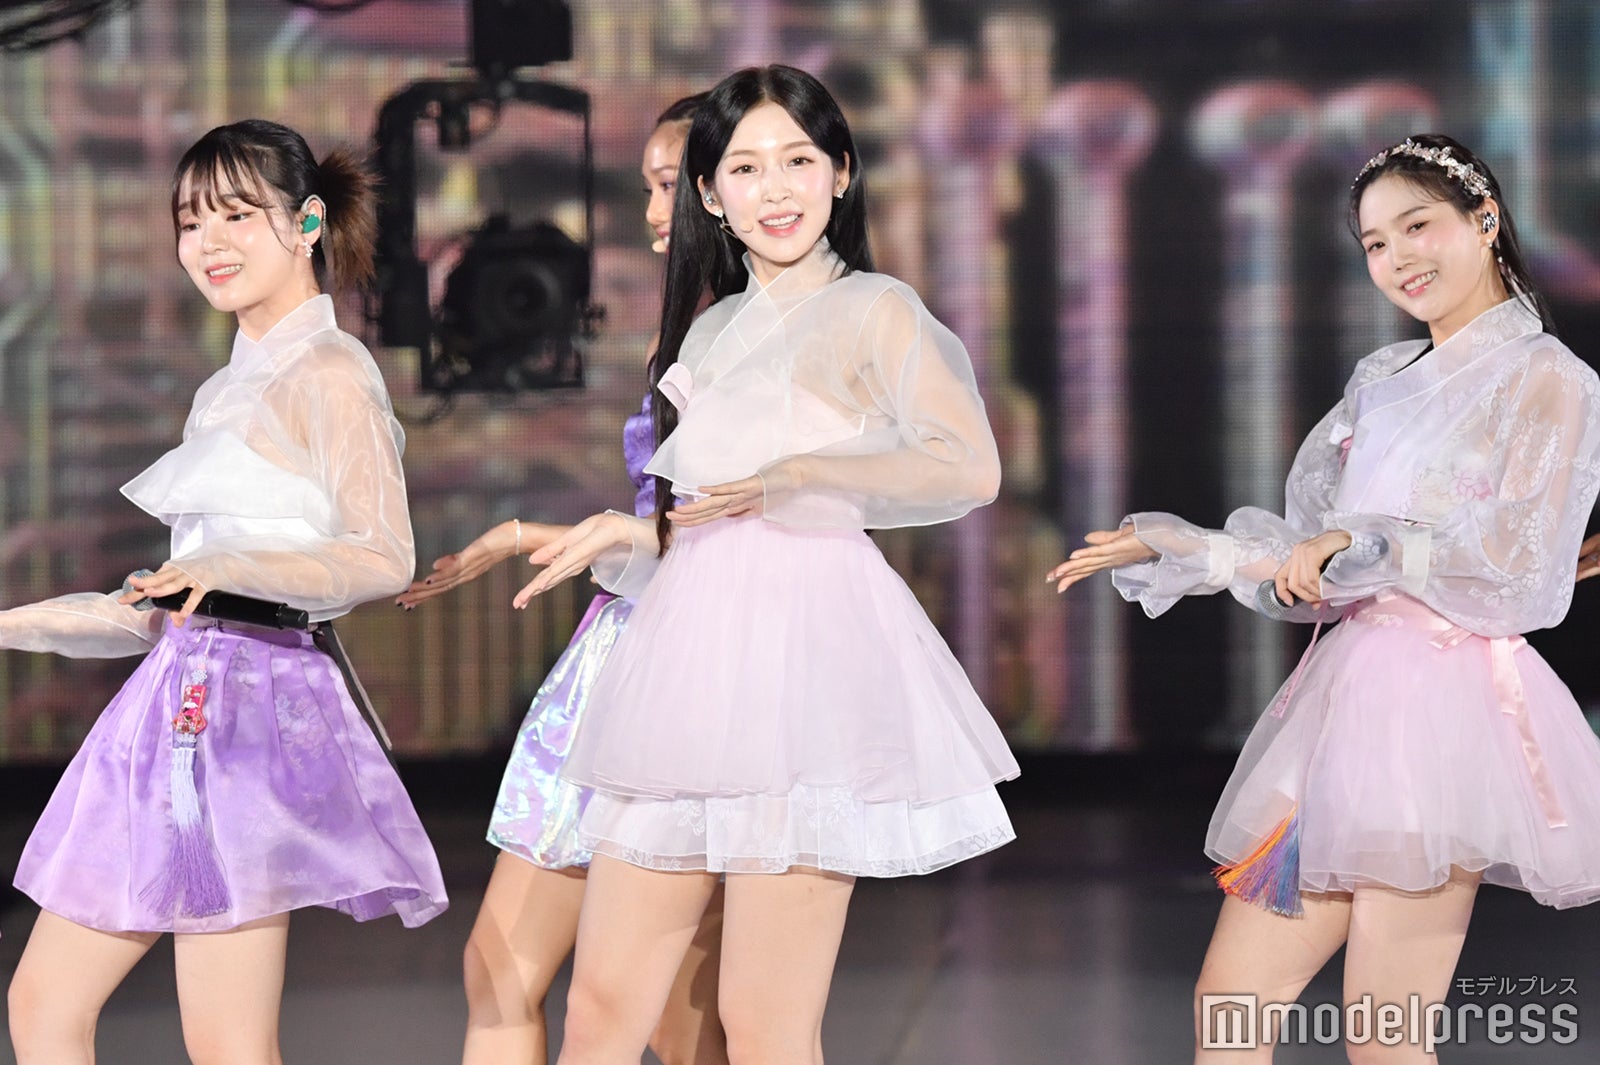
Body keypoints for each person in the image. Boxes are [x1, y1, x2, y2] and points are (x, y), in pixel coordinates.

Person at [1050, 134, 1600, 1062]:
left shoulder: (1547, 377)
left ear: (1485, 219)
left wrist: (1373, 541)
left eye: (1417, 226)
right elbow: (1312, 557)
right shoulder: (1380, 382)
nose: (1398, 258)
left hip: (1441, 714)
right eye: (1376, 243)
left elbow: (1521, 571)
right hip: (1340, 708)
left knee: (1383, 1034)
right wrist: (1197, 548)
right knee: (1231, 1004)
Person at [513, 65, 1019, 1065]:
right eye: (745, 169)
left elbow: (967, 465)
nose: (775, 189)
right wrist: (628, 535)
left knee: (764, 1024)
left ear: (841, 173)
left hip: (808, 661)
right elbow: (708, 516)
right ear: (709, 194)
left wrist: (797, 475)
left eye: (798, 161)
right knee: (604, 1005)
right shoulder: (709, 329)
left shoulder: (876, 308)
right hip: (689, 657)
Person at [2, 119, 446, 1065]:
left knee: (227, 1045)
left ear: (308, 222)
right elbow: (160, 608)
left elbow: (382, 555)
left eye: (237, 215)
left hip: (250, 714)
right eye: (190, 221)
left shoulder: (334, 371)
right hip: (172, 701)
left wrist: (232, 569)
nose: (209, 242)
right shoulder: (222, 390)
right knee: (45, 1004)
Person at [396, 93, 729, 1065]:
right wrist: (524, 535)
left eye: (672, 187)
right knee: (499, 969)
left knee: (675, 1015)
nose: (655, 211)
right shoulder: (684, 331)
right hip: (610, 660)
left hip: (691, 673)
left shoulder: (746, 337)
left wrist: (588, 539)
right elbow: (656, 520)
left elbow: (727, 532)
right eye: (648, 188)